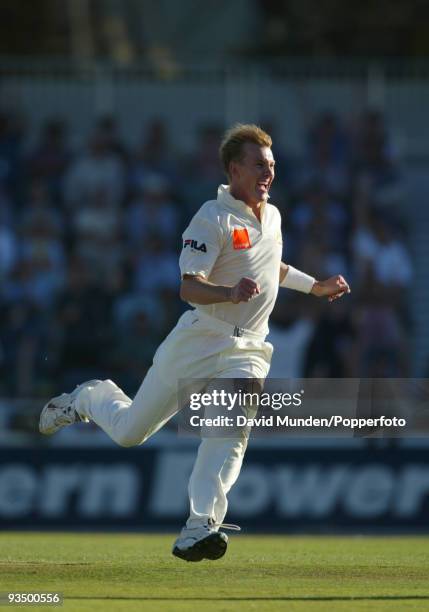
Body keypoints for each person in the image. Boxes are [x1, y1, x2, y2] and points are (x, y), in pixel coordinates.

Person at [39, 124, 350, 562]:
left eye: (272, 166)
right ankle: (90, 398)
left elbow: (271, 264)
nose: (268, 173)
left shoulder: (274, 215)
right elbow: (189, 286)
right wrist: (228, 294)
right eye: (259, 165)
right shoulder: (211, 217)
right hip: (201, 336)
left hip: (250, 349)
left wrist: (314, 286)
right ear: (234, 168)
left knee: (229, 432)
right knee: (131, 433)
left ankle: (200, 525)